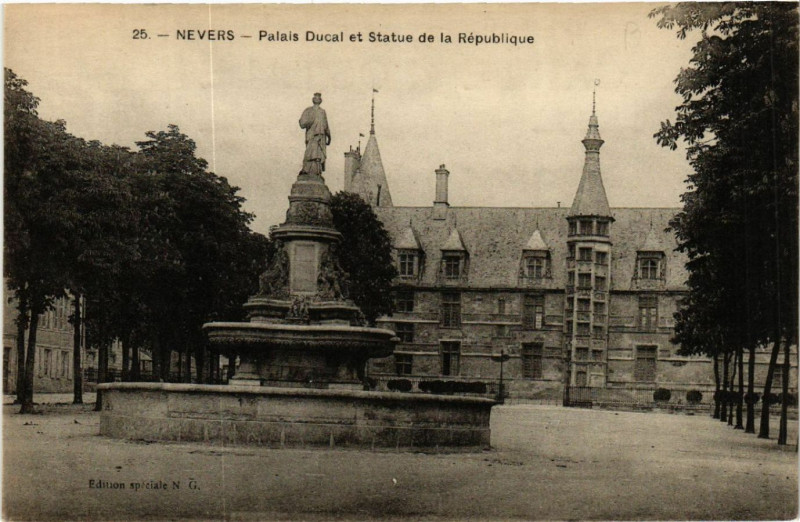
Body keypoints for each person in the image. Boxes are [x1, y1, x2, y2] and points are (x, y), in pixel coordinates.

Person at [299, 93, 331, 176]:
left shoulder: (322, 112)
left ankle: (317, 171)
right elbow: (302, 123)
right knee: (310, 152)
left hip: (320, 137)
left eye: (319, 98)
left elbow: (326, 125)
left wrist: (329, 136)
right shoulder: (308, 110)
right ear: (313, 99)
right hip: (312, 135)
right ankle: (306, 170)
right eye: (316, 97)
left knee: (318, 155)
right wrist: (309, 121)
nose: (317, 99)